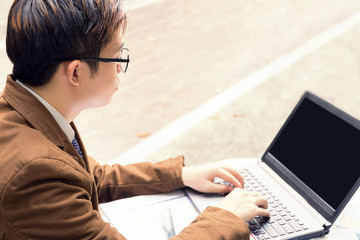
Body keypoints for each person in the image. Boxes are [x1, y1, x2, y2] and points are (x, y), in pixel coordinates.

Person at [0, 0, 270, 239]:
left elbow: (87, 175)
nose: (120, 66)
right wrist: (226, 218)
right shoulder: (34, 171)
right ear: (75, 72)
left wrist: (179, 175)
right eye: (116, 54)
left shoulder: (23, 113)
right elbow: (58, 174)